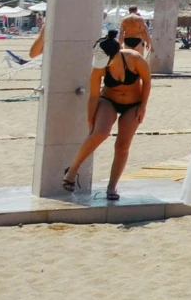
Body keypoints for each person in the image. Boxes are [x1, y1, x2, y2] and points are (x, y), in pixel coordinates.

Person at [63, 16, 152, 199]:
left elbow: (147, 82)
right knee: (99, 133)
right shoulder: (99, 68)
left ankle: (112, 187)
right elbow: (94, 95)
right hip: (108, 99)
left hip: (133, 103)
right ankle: (71, 171)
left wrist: (143, 106)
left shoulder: (135, 60)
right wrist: (90, 118)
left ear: (116, 54)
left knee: (122, 145)